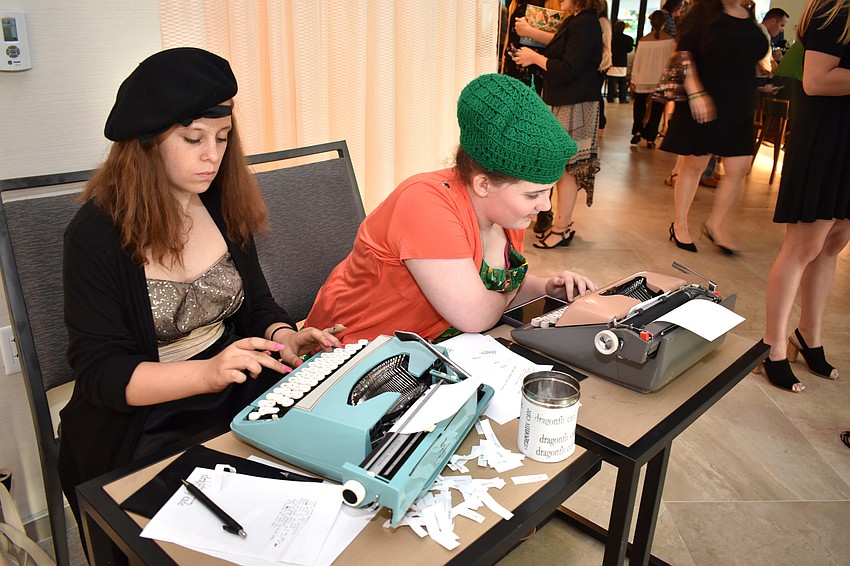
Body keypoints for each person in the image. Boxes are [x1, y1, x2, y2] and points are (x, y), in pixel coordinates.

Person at [58, 48, 344, 526]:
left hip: (233, 386)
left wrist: (283, 336)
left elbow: (256, 305)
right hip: (144, 418)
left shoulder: (219, 203)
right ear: (146, 143)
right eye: (193, 139)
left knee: (316, 482)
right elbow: (101, 375)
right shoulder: (94, 235)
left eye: (223, 137)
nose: (212, 155)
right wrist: (208, 373)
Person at [305, 73, 596, 343]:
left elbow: (491, 293)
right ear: (483, 184)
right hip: (349, 351)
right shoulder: (424, 203)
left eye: (548, 193)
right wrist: (512, 286)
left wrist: (546, 289)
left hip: (426, 347)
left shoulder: (504, 213)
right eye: (534, 195)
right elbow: (476, 314)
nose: (544, 206)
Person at [759, 0, 850, 393]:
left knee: (833, 243)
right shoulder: (836, 9)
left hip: (846, 141)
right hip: (827, 139)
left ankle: (807, 336)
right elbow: (815, 80)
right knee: (803, 246)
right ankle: (771, 346)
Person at [660, 0, 768, 254]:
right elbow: (683, 54)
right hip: (706, 98)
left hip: (739, 103)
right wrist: (696, 92)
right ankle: (680, 224)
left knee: (739, 168)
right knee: (695, 164)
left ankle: (715, 224)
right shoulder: (702, 12)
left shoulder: (748, 14)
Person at [512, 0, 603, 249]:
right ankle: (560, 226)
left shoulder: (586, 22)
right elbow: (562, 49)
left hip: (576, 102)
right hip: (566, 100)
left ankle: (561, 228)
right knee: (563, 166)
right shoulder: (577, 20)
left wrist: (534, 57)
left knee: (569, 167)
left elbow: (569, 67)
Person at [630, 11, 676, 148]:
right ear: (664, 23)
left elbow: (637, 62)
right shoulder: (670, 41)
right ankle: (650, 138)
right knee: (657, 110)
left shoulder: (643, 41)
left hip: (643, 78)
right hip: (660, 80)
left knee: (639, 106)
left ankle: (637, 131)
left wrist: (634, 79)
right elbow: (671, 63)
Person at [607, 20, 635, 103]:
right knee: (622, 81)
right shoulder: (628, 39)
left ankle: (610, 97)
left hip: (612, 61)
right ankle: (622, 98)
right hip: (622, 62)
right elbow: (629, 49)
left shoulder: (611, 38)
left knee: (611, 82)